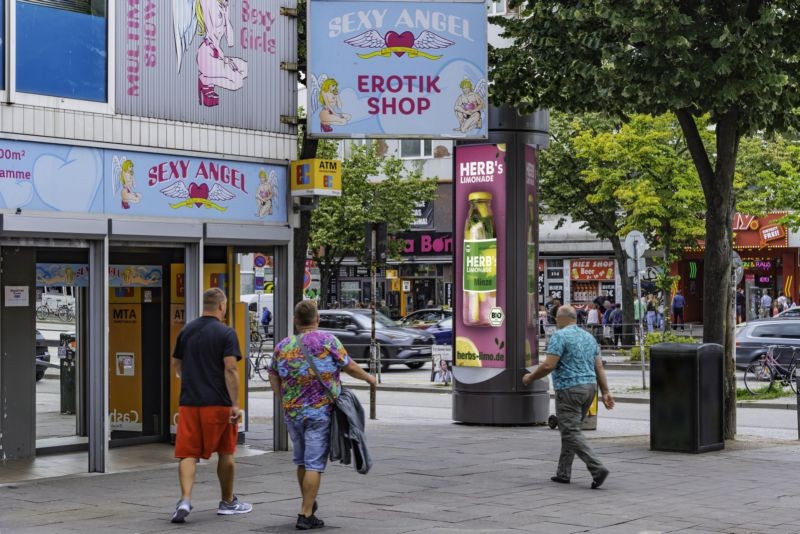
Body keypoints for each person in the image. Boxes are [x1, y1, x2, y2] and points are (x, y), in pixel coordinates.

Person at [268, 300, 377, 530]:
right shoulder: (328, 341)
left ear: (296, 321)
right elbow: (349, 366)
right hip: (320, 413)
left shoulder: (283, 346)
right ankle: (306, 513)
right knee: (314, 464)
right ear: (317, 319)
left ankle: (307, 502)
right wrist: (369, 378)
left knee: (301, 460)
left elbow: (273, 373)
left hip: (293, 414)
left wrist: (281, 398)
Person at [170, 288, 253, 524]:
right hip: (218, 404)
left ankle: (185, 499)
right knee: (226, 452)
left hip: (189, 403)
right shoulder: (226, 333)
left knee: (187, 453)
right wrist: (235, 404)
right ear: (222, 306)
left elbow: (176, 362)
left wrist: (187, 378)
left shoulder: (187, 331)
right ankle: (228, 502)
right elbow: (230, 369)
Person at [522, 305, 614, 488]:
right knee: (570, 430)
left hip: (569, 389)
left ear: (560, 319)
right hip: (589, 389)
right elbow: (599, 367)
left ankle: (597, 468)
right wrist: (605, 392)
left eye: (556, 319)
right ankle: (563, 472)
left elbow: (549, 365)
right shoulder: (589, 337)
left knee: (570, 431)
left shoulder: (559, 336)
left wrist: (530, 377)